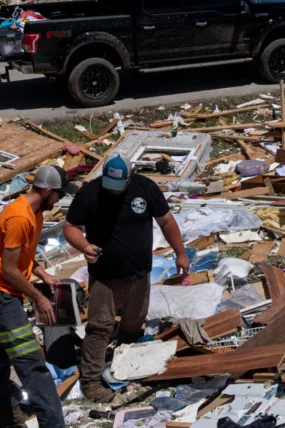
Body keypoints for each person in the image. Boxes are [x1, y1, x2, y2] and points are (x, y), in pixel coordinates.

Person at [63, 154, 190, 402]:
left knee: (134, 322)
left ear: (129, 178)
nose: (113, 191)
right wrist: (85, 246)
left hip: (139, 273)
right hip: (105, 275)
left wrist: (181, 253)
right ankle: (91, 381)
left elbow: (165, 221)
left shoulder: (145, 188)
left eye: (119, 187)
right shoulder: (89, 193)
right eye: (109, 186)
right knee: (100, 327)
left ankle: (127, 365)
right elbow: (70, 227)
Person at [0, 165, 78, 427]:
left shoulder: (36, 213)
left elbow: (23, 255)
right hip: (0, 295)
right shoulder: (19, 217)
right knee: (33, 365)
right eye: (58, 194)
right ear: (46, 191)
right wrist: (39, 298)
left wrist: (42, 274)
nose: (59, 200)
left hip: (5, 295)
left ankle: (6, 410)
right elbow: (9, 269)